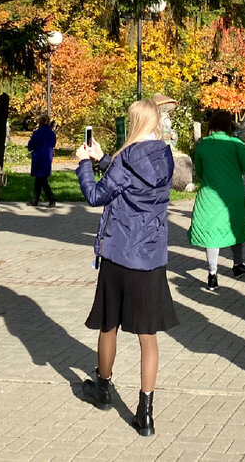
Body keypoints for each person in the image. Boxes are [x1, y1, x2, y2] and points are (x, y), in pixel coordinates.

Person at [76, 99, 178, 437]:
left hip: (120, 254)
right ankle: (145, 412)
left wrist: (83, 164)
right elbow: (137, 181)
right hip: (150, 258)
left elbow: (95, 196)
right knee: (148, 336)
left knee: (110, 325)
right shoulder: (165, 157)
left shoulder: (124, 160)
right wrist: (103, 158)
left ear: (133, 122)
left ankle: (103, 389)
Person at [188, 111, 245, 289]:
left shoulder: (203, 145)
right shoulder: (235, 144)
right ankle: (238, 265)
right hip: (232, 194)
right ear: (229, 126)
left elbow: (199, 170)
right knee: (234, 228)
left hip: (209, 194)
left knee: (212, 233)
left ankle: (212, 274)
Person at [27, 114, 58, 207]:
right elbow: (53, 144)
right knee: (39, 180)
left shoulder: (37, 133)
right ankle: (35, 200)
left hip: (38, 158)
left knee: (42, 180)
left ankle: (51, 199)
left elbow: (30, 146)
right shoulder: (52, 134)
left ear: (40, 122)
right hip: (47, 157)